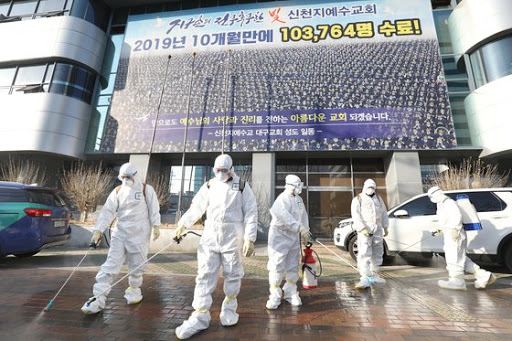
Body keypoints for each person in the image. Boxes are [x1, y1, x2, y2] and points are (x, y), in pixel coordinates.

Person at [174, 154, 258, 340]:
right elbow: (197, 206)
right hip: (210, 235)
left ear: (231, 169)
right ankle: (200, 315)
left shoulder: (242, 186)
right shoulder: (210, 185)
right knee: (204, 274)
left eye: (224, 171)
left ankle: (229, 309)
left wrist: (249, 238)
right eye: (217, 170)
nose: (220, 174)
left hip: (233, 236)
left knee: (233, 274)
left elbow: (251, 212)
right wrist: (183, 223)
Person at [81, 163, 161, 314]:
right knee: (111, 264)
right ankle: (97, 297)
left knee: (137, 264)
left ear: (135, 175)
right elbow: (108, 211)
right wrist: (98, 230)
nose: (126, 180)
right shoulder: (118, 191)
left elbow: (154, 208)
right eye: (123, 177)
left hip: (140, 233)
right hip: (120, 232)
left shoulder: (146, 189)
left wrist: (156, 225)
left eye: (128, 177)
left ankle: (134, 290)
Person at [428, 186, 496, 290]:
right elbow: (445, 220)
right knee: (461, 258)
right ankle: (483, 275)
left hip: (455, 234)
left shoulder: (448, 202)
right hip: (451, 233)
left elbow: (456, 216)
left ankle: (457, 281)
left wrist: (455, 229)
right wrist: (439, 229)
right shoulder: (441, 204)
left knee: (453, 257)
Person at [266, 174, 310, 310]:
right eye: (297, 185)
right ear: (290, 185)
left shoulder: (299, 200)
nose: (299, 188)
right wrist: (299, 228)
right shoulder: (282, 199)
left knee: (292, 265)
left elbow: (303, 216)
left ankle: (291, 292)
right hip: (279, 236)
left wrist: (305, 232)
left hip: (293, 237)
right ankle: (274, 294)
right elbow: (284, 217)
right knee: (277, 265)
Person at [351, 179, 389, 289]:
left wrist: (385, 227)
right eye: (369, 187)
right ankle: (364, 277)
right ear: (364, 187)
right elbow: (356, 215)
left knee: (377, 251)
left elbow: (384, 213)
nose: (371, 189)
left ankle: (375, 274)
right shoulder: (358, 199)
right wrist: (362, 228)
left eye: (373, 187)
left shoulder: (378, 199)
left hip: (377, 229)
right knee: (364, 252)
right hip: (365, 230)